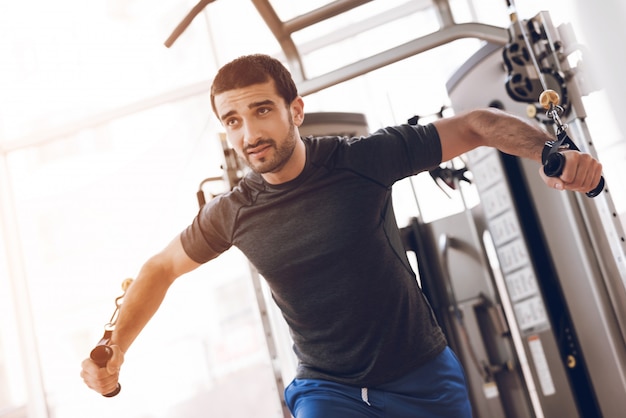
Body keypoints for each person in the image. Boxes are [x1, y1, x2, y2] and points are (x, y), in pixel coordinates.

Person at [80, 54, 603, 417]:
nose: (249, 134)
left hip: (423, 375)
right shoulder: (231, 213)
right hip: (328, 389)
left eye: (261, 110)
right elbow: (160, 268)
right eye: (232, 120)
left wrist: (552, 154)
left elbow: (475, 125)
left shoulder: (361, 160)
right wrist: (116, 347)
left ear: (295, 110)